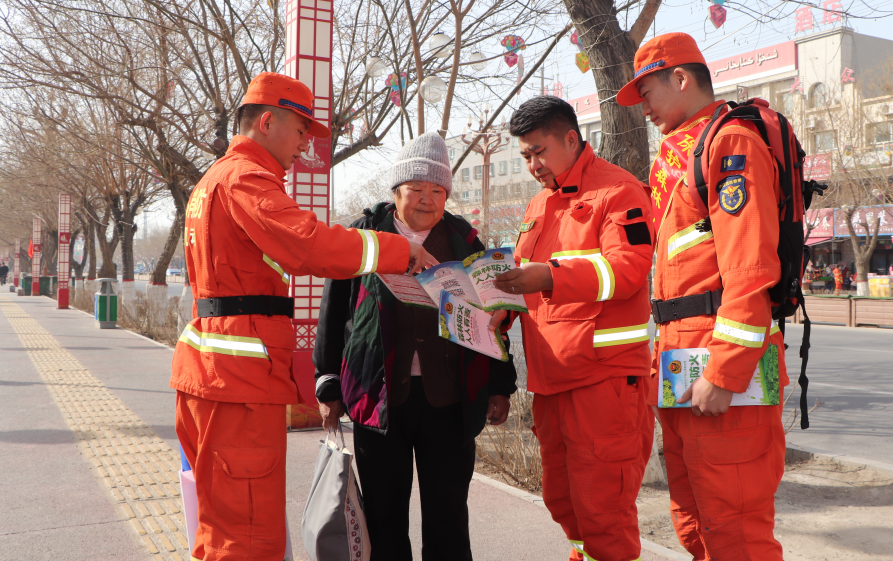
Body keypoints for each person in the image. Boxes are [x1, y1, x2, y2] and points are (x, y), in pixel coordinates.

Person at [170, 72, 437, 561]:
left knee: (220, 525)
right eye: (299, 132)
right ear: (267, 122)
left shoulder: (213, 180)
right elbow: (308, 244)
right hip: (238, 384)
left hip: (214, 373)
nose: (303, 146)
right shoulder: (247, 179)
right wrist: (398, 251)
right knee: (250, 537)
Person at [616, 32, 789, 561]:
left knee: (736, 532)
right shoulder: (681, 154)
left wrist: (724, 371)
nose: (643, 108)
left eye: (647, 92)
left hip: (717, 367)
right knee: (696, 525)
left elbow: (750, 271)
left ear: (680, 79)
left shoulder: (729, 143)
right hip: (681, 362)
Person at [313, 132, 518, 561]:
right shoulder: (364, 236)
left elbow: (494, 319)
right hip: (379, 398)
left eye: (437, 190)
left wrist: (501, 385)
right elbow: (333, 313)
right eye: (416, 188)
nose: (427, 199)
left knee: (448, 517)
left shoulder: (465, 242)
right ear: (396, 192)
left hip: (450, 400)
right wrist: (328, 383)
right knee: (384, 517)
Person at [492, 95, 655, 561]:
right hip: (551, 382)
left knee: (604, 512)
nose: (533, 165)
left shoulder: (619, 191)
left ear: (570, 138)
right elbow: (524, 276)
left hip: (603, 381)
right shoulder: (538, 204)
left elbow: (628, 269)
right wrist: (501, 305)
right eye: (525, 156)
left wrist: (549, 276)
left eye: (538, 152)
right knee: (563, 501)